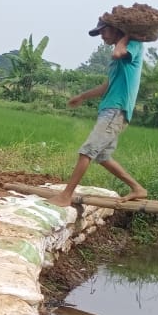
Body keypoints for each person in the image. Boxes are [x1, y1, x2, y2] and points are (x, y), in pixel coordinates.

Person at [49, 17, 148, 207]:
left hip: (116, 110)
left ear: (116, 28)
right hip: (109, 109)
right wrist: (82, 96)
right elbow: (107, 86)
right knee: (102, 156)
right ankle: (138, 188)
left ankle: (66, 196)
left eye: (104, 31)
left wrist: (127, 35)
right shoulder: (119, 58)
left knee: (87, 151)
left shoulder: (133, 44)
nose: (101, 36)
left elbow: (117, 53)